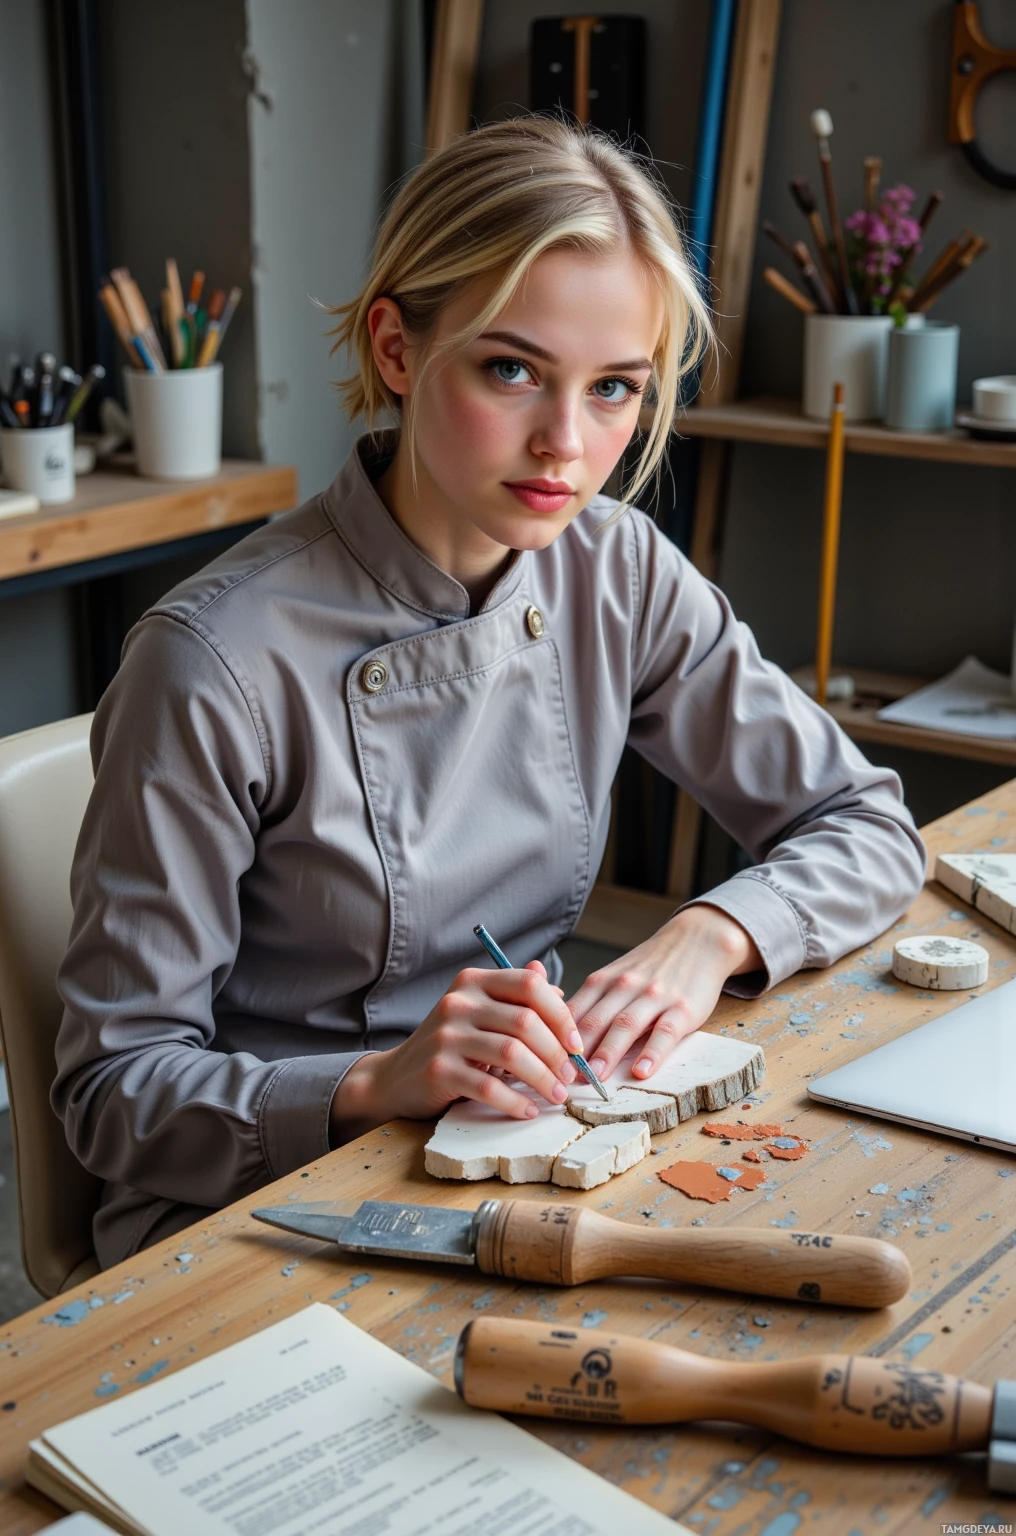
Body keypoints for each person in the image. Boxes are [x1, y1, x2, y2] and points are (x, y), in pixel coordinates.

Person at [54, 116, 925, 1268]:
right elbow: (114, 1094)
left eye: (615, 388)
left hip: (518, 1140)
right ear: (399, 349)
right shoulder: (212, 660)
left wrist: (711, 935)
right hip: (257, 1205)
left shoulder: (617, 571)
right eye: (510, 369)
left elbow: (865, 823)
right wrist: (375, 1081)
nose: (565, 443)